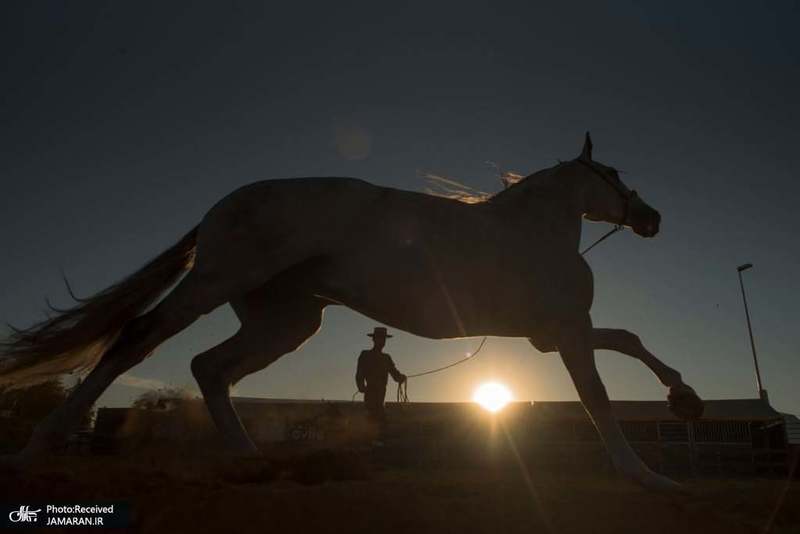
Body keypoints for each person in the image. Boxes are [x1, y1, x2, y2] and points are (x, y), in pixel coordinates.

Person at [355, 327, 406, 437]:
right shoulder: (365, 355)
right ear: (374, 339)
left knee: (378, 415)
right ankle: (373, 439)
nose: (382, 341)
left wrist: (401, 377)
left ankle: (375, 438)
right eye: (380, 338)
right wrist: (361, 386)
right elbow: (360, 373)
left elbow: (395, 374)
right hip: (371, 392)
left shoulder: (386, 358)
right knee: (375, 415)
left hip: (381, 393)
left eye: (383, 339)